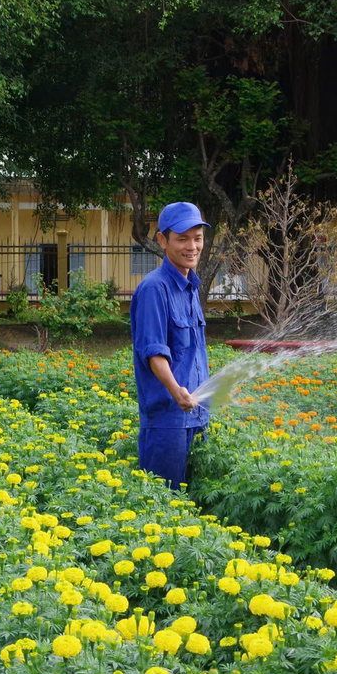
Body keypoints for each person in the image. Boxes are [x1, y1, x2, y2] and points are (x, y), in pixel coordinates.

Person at [129, 201, 211, 489]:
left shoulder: (190, 287)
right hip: (167, 422)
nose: (192, 246)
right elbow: (154, 353)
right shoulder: (155, 288)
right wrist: (177, 392)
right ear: (163, 240)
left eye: (197, 238)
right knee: (163, 505)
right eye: (182, 239)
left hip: (197, 416)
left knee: (194, 505)